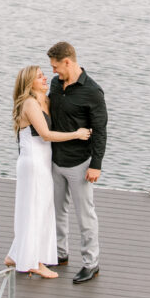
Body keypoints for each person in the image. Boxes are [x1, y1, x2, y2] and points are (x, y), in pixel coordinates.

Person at [5, 65, 91, 279]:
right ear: (29, 84)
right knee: (36, 210)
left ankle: (16, 254)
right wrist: (76, 134)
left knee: (39, 208)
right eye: (39, 77)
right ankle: (34, 262)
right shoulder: (30, 103)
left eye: (44, 75)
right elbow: (45, 135)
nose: (45, 78)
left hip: (43, 162)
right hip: (33, 162)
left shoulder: (46, 100)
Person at [47, 42, 107, 284]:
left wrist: (96, 164)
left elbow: (101, 131)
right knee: (57, 211)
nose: (53, 71)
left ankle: (91, 264)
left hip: (80, 164)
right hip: (55, 160)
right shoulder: (55, 84)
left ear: (68, 62)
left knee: (85, 216)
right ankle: (60, 253)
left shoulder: (92, 92)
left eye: (55, 66)